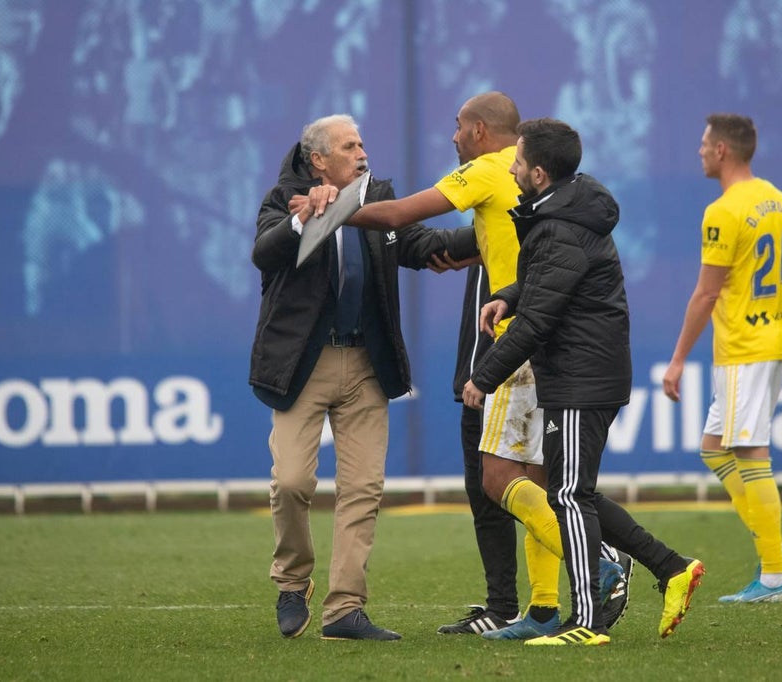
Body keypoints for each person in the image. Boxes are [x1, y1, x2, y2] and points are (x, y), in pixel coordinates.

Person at [339, 92, 631, 639]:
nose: (452, 137)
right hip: (548, 343)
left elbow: (404, 216)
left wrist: (337, 211)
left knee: (497, 480)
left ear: (477, 131)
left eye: (457, 127)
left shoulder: (484, 171)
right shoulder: (539, 191)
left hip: (516, 342)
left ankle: (596, 563)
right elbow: (466, 243)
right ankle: (543, 609)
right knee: (537, 478)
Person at [463, 118, 705, 646]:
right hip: (584, 373)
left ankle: (588, 622)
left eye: (519, 161)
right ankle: (673, 568)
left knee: (568, 495)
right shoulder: (564, 210)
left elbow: (537, 324)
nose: (511, 167)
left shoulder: (560, 224)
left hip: (580, 377)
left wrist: (483, 378)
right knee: (574, 492)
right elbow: (547, 283)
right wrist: (511, 292)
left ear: (540, 173)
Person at [249, 114, 473, 641]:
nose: (362, 151)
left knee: (363, 488)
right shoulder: (285, 197)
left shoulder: (382, 198)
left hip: (367, 365)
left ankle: (345, 609)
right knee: (292, 483)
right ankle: (291, 582)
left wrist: (482, 234)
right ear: (319, 159)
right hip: (304, 363)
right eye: (350, 145)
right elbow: (264, 253)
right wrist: (303, 221)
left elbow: (419, 246)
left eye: (362, 142)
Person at [661, 113, 782, 603]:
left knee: (750, 454)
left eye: (705, 143)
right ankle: (773, 548)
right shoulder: (780, 202)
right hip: (767, 343)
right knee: (713, 448)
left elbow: (705, 295)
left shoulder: (724, 211)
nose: (700, 150)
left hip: (745, 347)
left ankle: (771, 578)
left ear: (722, 150)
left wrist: (679, 359)